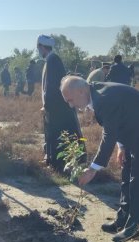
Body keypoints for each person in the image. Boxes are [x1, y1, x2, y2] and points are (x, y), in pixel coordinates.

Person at [60, 76, 139, 242]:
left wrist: (93, 169)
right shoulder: (95, 92)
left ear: (80, 91)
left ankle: (136, 227)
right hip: (135, 131)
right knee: (126, 176)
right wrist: (122, 147)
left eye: (70, 100)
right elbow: (119, 120)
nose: (71, 105)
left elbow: (108, 135)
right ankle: (123, 219)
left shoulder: (103, 99)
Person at [37, 34, 86, 172]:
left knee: (60, 134)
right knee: (57, 134)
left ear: (42, 47)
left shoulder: (53, 60)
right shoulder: (51, 60)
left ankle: (60, 165)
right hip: (56, 107)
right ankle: (55, 162)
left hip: (57, 108)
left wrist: (46, 106)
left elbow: (52, 87)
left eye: (38, 48)